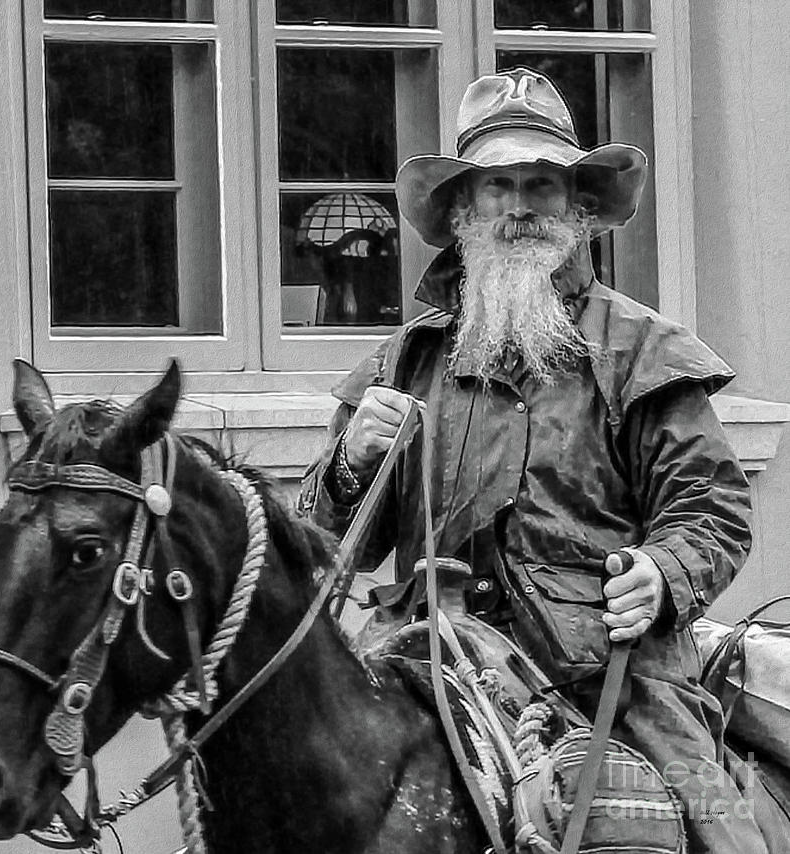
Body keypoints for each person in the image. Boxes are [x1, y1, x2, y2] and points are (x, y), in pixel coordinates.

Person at [299, 69, 768, 853]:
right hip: (426, 662)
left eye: (542, 185)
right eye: (499, 186)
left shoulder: (644, 352)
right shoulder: (401, 363)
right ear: (461, 211)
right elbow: (318, 548)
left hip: (612, 678)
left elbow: (711, 511)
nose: (520, 207)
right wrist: (350, 465)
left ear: (579, 207)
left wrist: (661, 572)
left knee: (718, 828)